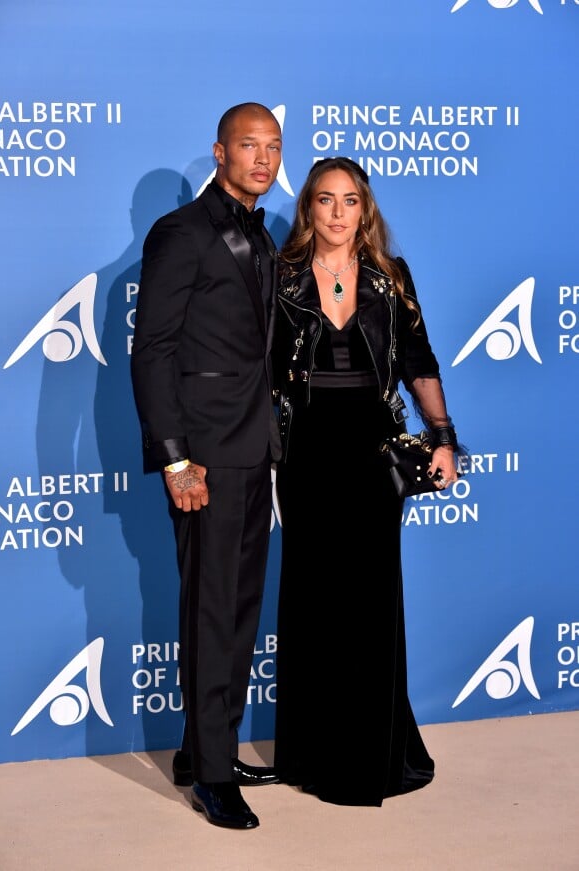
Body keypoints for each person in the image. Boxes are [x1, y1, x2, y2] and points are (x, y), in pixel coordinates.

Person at [272, 157, 459, 807]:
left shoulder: (390, 278)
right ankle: (312, 752)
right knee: (314, 593)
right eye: (325, 200)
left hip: (373, 448)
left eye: (350, 201)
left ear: (365, 209)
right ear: (308, 209)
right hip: (307, 449)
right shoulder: (280, 276)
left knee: (373, 595)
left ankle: (376, 751)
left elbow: (418, 360)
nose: (337, 213)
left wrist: (443, 436)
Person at [131, 103, 283, 830]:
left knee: (240, 609)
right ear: (219, 152)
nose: (263, 158)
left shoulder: (268, 234)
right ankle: (212, 776)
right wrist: (175, 458)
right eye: (249, 145)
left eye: (273, 146)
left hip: (257, 451)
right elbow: (152, 349)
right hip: (205, 460)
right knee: (212, 609)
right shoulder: (181, 233)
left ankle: (204, 747)